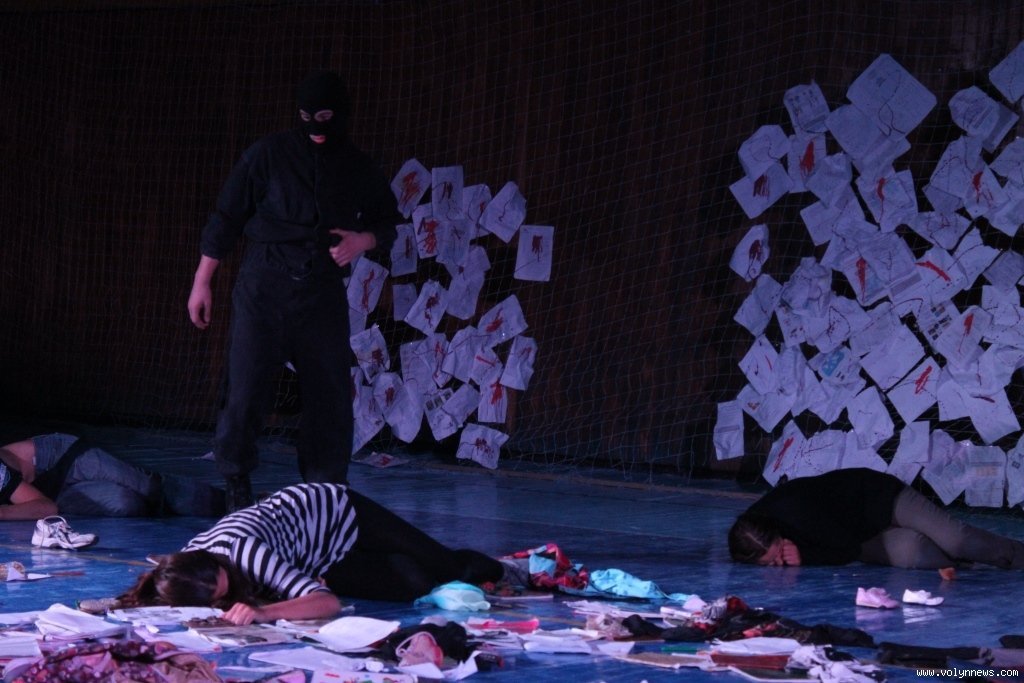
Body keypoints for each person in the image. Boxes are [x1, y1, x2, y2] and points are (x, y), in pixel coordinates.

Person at [187, 70, 400, 511]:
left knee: (330, 393)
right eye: (307, 118)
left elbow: (387, 222)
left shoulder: (357, 165)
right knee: (246, 386)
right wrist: (201, 282)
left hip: (321, 288)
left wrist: (361, 241)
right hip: (265, 283)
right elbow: (227, 217)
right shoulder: (268, 154)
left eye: (324, 118)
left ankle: (325, 490)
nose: (316, 128)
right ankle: (236, 481)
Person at [117, 482, 509, 623]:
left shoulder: (246, 554)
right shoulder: (180, 568)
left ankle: (512, 569)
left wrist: (264, 612)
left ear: (216, 562)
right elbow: (158, 576)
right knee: (418, 583)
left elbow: (327, 603)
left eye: (226, 583)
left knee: (451, 569)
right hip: (318, 557)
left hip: (334, 512)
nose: (229, 594)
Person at [728, 468, 1024, 569]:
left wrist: (805, 555)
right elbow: (853, 547)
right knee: (920, 553)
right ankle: (969, 565)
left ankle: (1016, 554)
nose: (780, 563)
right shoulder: (749, 533)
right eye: (772, 563)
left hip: (882, 499)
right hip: (862, 536)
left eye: (779, 552)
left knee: (957, 540)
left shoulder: (796, 511)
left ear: (779, 532)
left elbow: (843, 550)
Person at [1, 433, 225, 519]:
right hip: (54, 493)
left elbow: (43, 507)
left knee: (146, 486)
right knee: (127, 504)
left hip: (61, 457)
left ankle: (232, 503)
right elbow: (47, 506)